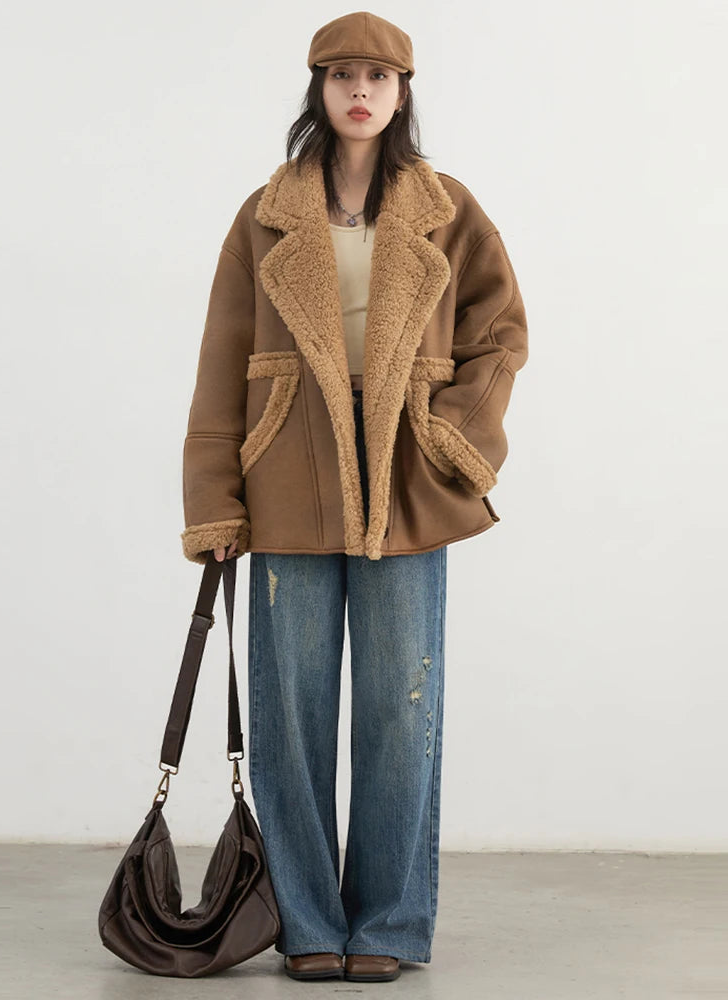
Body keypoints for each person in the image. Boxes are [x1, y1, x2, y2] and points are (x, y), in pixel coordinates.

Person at [180, 10, 529, 984]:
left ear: (404, 91)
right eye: (341, 75)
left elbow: (500, 332)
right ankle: (305, 922)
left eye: (379, 75)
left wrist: (455, 432)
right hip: (288, 475)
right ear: (318, 89)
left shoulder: (445, 207)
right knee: (289, 718)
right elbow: (219, 368)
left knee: (397, 712)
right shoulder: (266, 213)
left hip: (408, 481)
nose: (360, 91)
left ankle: (388, 922)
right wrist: (215, 501)